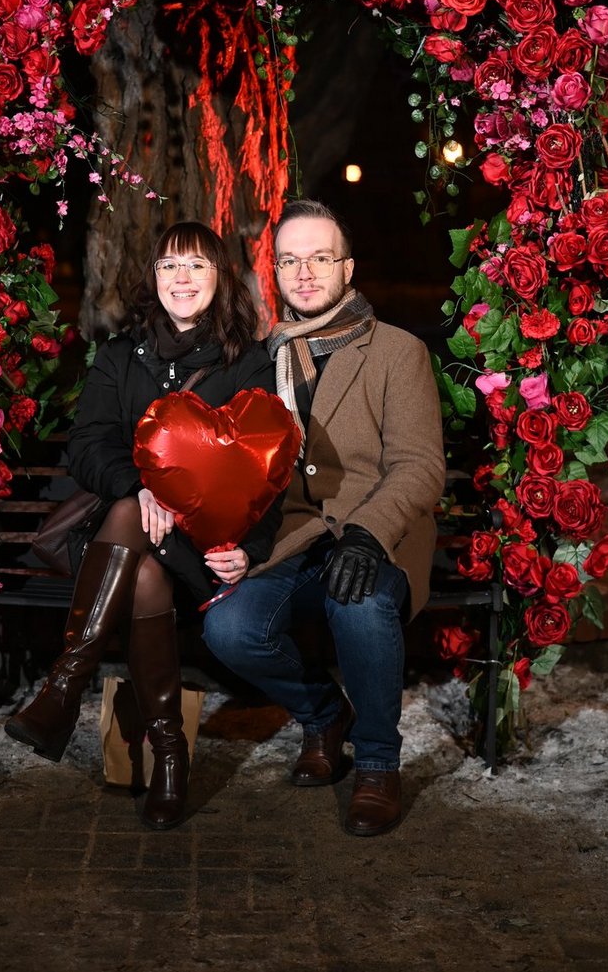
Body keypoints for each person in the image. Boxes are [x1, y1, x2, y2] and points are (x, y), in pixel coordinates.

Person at [5, 221, 280, 831]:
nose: (182, 279)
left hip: (202, 544)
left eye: (197, 266)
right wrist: (138, 485)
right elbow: (86, 447)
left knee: (149, 546)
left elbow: (263, 470)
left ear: (220, 278)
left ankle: (63, 689)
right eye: (169, 267)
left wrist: (249, 546)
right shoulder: (119, 356)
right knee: (143, 559)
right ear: (154, 279)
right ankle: (170, 759)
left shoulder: (247, 361)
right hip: (121, 548)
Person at [202, 199, 446, 837]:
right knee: (229, 628)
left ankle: (375, 763)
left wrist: (367, 534)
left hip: (375, 535)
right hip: (293, 540)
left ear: (347, 268)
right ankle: (322, 716)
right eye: (290, 261)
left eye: (319, 258)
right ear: (275, 273)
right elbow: (238, 466)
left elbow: (419, 466)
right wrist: (237, 539)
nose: (304, 273)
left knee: (359, 602)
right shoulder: (262, 356)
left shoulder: (397, 351)